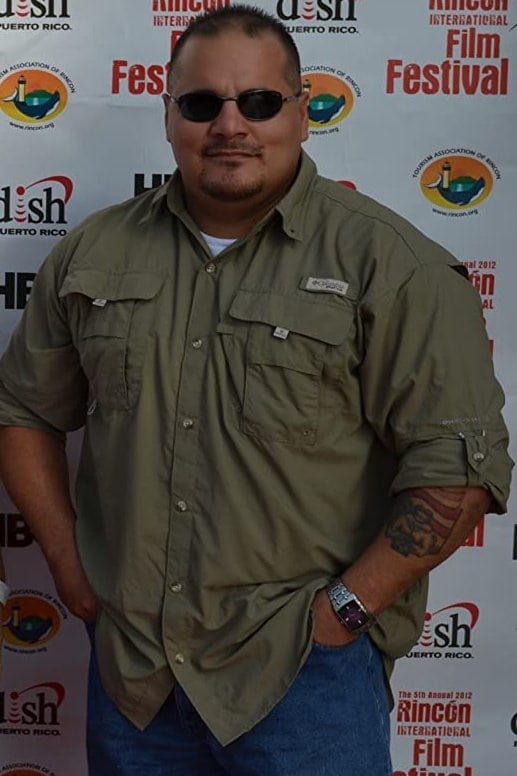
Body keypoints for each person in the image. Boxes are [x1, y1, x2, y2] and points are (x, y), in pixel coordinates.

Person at [0, 5, 512, 774]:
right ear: (168, 115)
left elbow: (458, 465)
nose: (230, 124)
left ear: (302, 113)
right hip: (135, 677)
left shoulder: (391, 265)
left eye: (260, 102)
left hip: (303, 679)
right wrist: (68, 561)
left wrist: (342, 615)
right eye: (201, 103)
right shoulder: (92, 252)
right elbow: (24, 409)